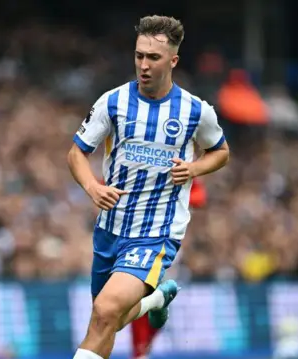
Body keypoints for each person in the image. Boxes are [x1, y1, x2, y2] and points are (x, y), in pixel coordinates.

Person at [67, 15, 230, 359]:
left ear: (173, 61)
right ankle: (155, 300)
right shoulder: (112, 102)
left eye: (153, 58)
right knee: (103, 321)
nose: (143, 64)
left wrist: (194, 167)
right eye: (139, 55)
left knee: (106, 312)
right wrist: (91, 188)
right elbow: (76, 154)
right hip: (110, 230)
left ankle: (152, 298)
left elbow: (221, 152)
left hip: (155, 234)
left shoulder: (195, 111)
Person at [130, 178, 207, 359]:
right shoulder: (139, 164)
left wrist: (172, 200)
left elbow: (199, 196)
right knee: (139, 293)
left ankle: (144, 348)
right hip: (140, 238)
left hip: (170, 241)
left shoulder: (179, 164)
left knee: (161, 300)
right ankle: (139, 352)